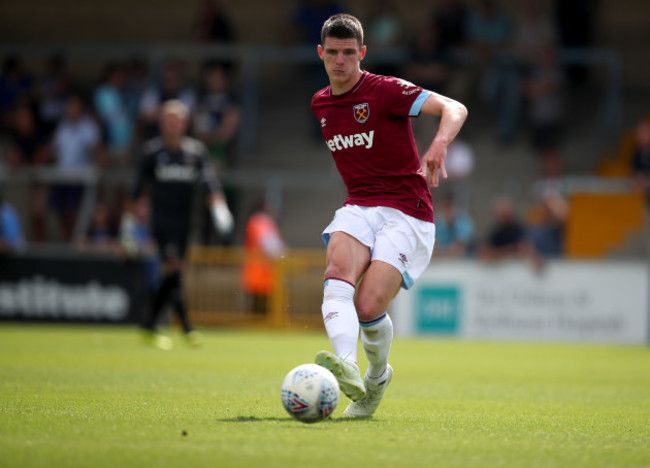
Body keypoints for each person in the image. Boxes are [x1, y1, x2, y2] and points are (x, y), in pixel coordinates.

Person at [310, 14, 467, 418]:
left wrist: (438, 145)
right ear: (321, 54)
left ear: (362, 53)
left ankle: (377, 379)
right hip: (359, 204)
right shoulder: (321, 102)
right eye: (333, 53)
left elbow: (455, 107)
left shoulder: (385, 90)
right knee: (338, 270)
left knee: (367, 305)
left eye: (349, 53)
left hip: (407, 211)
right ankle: (345, 364)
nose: (341, 61)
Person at [120, 99, 234, 350]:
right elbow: (136, 190)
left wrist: (219, 209)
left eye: (177, 118)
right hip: (161, 221)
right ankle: (186, 327)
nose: (172, 123)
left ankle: (148, 324)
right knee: (174, 267)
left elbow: (210, 185)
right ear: (162, 123)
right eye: (167, 119)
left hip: (185, 223)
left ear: (184, 122)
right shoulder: (151, 153)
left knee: (173, 273)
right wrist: (127, 224)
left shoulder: (195, 153)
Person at [241, 201, 287, 315]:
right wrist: (282, 256)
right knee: (261, 304)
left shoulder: (256, 222)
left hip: (258, 269)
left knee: (257, 304)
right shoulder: (261, 222)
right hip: (261, 269)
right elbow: (270, 245)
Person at [432, 192, 475, 258]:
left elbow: (461, 245)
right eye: (444, 207)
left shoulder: (464, 221)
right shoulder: (436, 223)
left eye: (449, 207)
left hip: (463, 260)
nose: (447, 211)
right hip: (441, 260)